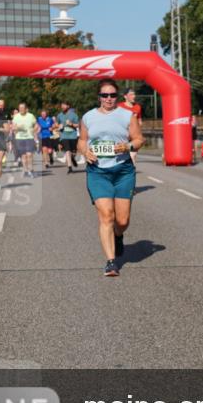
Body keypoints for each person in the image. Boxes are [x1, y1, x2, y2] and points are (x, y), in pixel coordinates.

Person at [78, 81, 144, 277]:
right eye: (105, 95)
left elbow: (139, 139)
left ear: (117, 96)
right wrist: (85, 151)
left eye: (112, 95)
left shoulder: (127, 115)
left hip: (123, 171)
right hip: (97, 171)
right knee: (107, 215)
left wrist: (128, 147)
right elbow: (82, 140)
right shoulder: (88, 117)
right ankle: (111, 262)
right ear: (99, 96)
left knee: (122, 220)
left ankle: (119, 234)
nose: (108, 99)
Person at [11, 102, 39, 178]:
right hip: (19, 138)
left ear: (26, 108)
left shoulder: (31, 116)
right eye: (20, 108)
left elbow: (36, 125)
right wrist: (16, 128)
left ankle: (31, 170)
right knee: (23, 156)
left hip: (29, 138)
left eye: (23, 108)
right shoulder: (16, 116)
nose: (21, 109)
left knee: (29, 155)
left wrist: (34, 130)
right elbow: (13, 127)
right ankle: (26, 170)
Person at [117, 89, 143, 165]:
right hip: (122, 135)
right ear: (125, 96)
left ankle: (131, 171)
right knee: (121, 155)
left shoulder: (137, 107)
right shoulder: (119, 106)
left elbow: (139, 120)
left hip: (133, 137)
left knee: (133, 155)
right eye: (131, 94)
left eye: (134, 94)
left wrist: (139, 127)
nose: (134, 96)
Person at [56, 101, 80, 174]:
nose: (62, 107)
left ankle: (73, 158)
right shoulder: (59, 115)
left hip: (73, 136)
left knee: (73, 151)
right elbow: (57, 124)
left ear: (68, 106)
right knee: (67, 150)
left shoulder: (74, 115)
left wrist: (71, 124)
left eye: (64, 105)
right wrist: (59, 126)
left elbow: (78, 125)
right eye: (61, 105)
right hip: (64, 136)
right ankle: (70, 168)